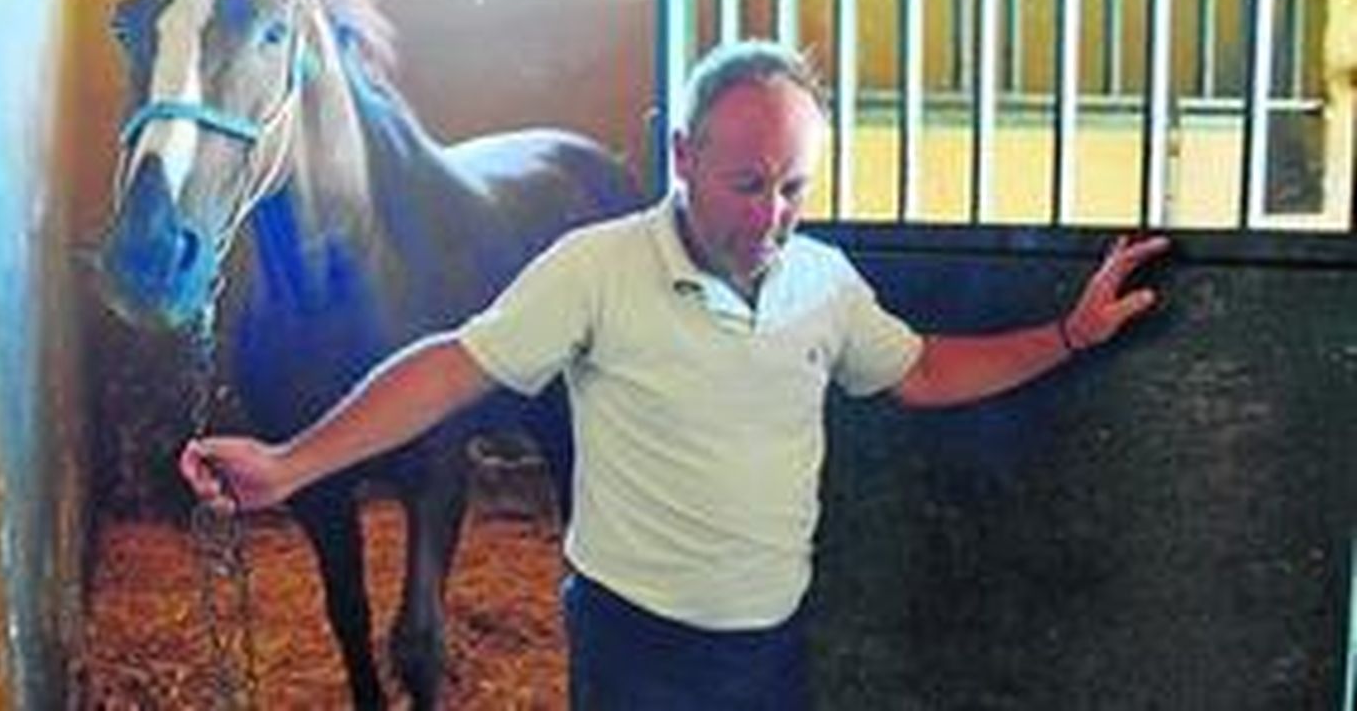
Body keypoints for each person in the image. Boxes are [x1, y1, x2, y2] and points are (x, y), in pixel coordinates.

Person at [179, 40, 1169, 709]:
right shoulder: (593, 267)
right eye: (746, 183)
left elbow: (916, 371)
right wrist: (291, 462)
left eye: (793, 188)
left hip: (767, 642)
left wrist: (1068, 335)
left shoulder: (823, 283)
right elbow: (450, 367)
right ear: (682, 156)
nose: (768, 216)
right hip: (630, 642)